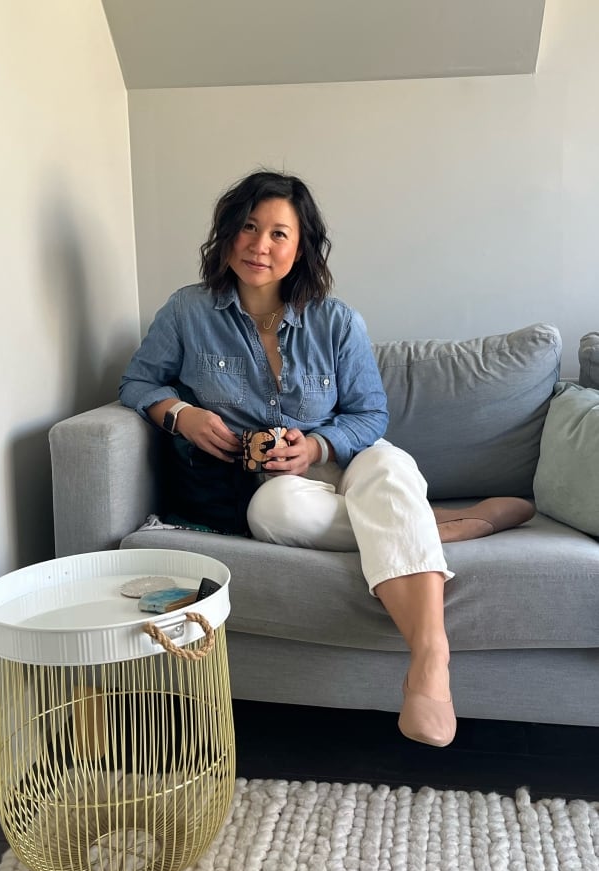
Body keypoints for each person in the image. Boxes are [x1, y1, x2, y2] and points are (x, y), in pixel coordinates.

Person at [119, 170, 534, 748]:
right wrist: (177, 414)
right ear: (227, 234)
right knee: (274, 515)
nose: (259, 245)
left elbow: (370, 417)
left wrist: (316, 445)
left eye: (278, 234)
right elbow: (138, 382)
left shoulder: (337, 321)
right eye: (248, 227)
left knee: (387, 468)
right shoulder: (187, 312)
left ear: (301, 245)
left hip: (344, 460)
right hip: (273, 486)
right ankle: (440, 527)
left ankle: (431, 661)